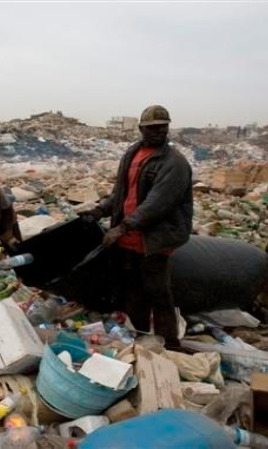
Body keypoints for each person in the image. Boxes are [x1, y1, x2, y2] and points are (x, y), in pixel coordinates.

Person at [80, 105, 193, 349]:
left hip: (153, 241)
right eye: (152, 128)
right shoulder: (132, 154)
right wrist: (100, 210)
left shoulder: (174, 163)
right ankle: (141, 337)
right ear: (141, 129)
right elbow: (121, 194)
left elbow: (158, 204)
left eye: (163, 127)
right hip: (127, 241)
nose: (158, 132)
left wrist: (122, 228)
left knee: (159, 294)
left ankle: (170, 346)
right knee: (132, 290)